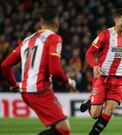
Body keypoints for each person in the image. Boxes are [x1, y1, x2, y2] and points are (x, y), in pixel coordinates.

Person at [1, 5, 76, 135]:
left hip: (26, 91)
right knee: (63, 130)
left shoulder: (27, 40)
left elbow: (5, 65)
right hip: (40, 90)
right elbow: (55, 70)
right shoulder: (54, 38)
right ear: (58, 23)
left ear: (40, 23)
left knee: (57, 128)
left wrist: (13, 84)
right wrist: (69, 82)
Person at [80, 8, 122, 135]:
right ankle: (90, 100)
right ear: (116, 20)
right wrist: (95, 65)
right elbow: (89, 54)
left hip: (118, 80)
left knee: (109, 111)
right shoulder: (105, 35)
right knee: (95, 114)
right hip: (102, 77)